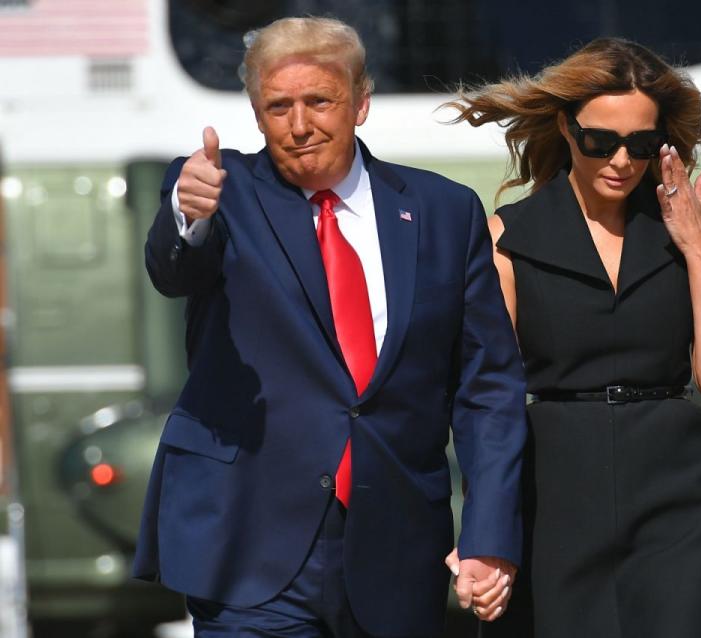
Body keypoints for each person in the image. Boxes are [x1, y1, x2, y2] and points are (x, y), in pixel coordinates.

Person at [132, 17, 524, 638]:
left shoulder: (444, 212)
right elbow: (173, 269)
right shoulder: (218, 194)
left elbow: (488, 388)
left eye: (319, 101)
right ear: (257, 116)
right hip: (250, 545)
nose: (299, 124)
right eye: (277, 106)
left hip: (394, 545)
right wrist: (187, 215)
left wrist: (490, 534)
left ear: (361, 103)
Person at [448, 37, 701, 637]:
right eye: (600, 141)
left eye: (640, 144)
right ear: (565, 127)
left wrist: (694, 246)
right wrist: (482, 535)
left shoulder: (695, 229)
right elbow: (490, 402)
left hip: (677, 490)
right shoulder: (507, 239)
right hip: (556, 487)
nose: (621, 161)